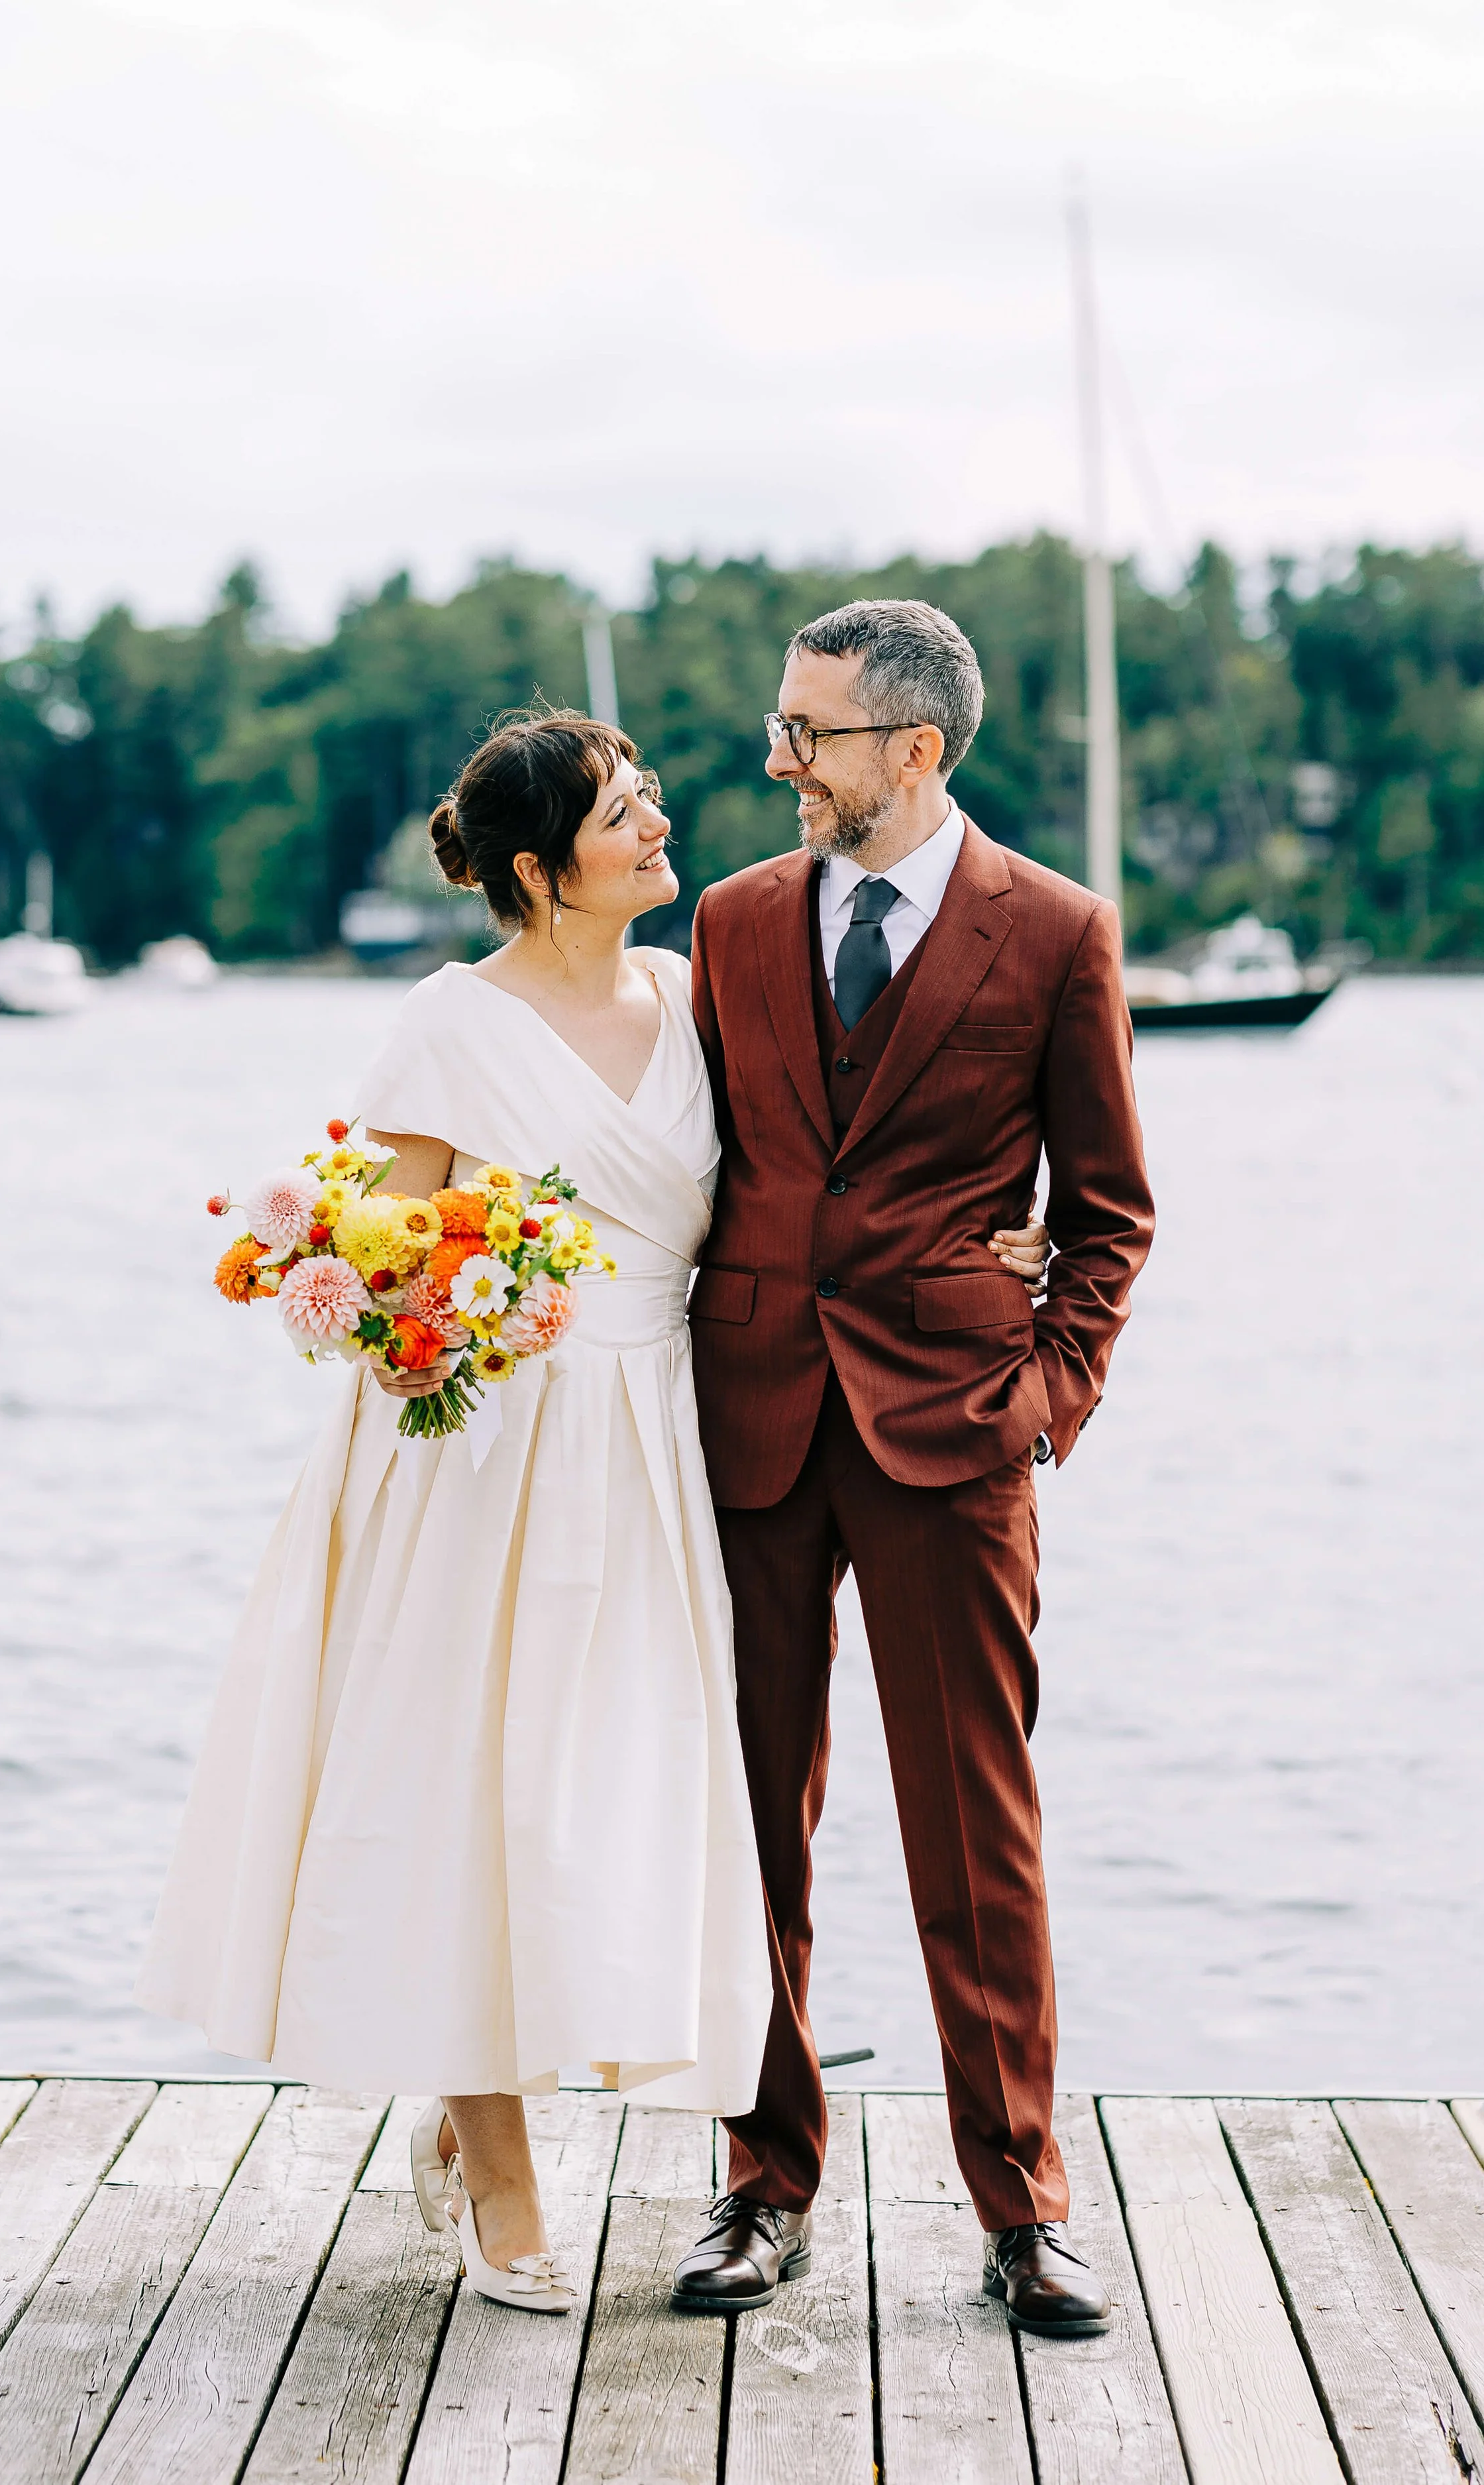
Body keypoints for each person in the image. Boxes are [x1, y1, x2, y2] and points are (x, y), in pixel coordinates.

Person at [138, 704, 1050, 2317]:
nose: (660, 825)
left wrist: (994, 1252)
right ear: (538, 870)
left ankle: (557, 2102)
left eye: (645, 798)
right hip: (476, 1452)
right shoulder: (444, 1025)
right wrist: (450, 1304)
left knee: (599, 1804)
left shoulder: (698, 995)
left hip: (658, 1445)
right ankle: (495, 2159)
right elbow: (372, 1246)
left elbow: (814, 1187)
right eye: (623, 812)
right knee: (452, 1784)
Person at [672, 601, 1154, 2338]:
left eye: (807, 729)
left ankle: (1023, 2203)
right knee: (750, 1824)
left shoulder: (1056, 933)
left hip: (956, 1437)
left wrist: (1046, 1402)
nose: (776, 756)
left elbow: (1107, 1213)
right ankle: (760, 2177)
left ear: (915, 750)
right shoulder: (725, 924)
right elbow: (685, 1164)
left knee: (978, 1832)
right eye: (777, 724)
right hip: (749, 1426)